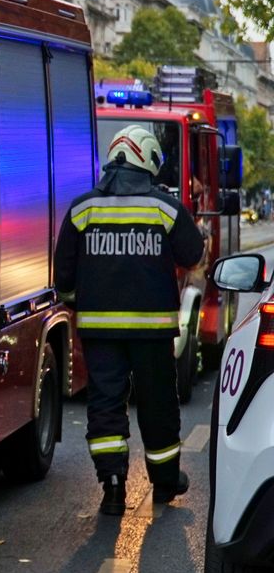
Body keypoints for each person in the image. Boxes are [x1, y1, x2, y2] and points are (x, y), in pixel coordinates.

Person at [55, 125, 205, 516]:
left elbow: (64, 277)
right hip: (153, 332)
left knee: (105, 403)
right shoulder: (165, 208)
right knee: (158, 404)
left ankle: (114, 485)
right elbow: (192, 254)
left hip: (99, 333)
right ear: (150, 160)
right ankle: (165, 482)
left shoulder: (82, 209)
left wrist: (78, 301)